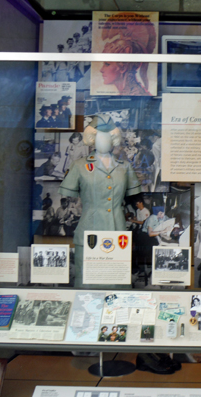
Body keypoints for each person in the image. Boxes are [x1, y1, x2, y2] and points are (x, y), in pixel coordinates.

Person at [59, 114, 142, 286]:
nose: (103, 140)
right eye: (98, 135)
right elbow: (70, 192)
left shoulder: (125, 167)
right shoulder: (79, 166)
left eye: (108, 136)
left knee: (117, 283)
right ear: (91, 138)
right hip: (89, 230)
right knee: (87, 282)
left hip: (117, 230)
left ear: (114, 139)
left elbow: (132, 192)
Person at [97, 13, 157, 95]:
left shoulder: (137, 96)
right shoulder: (129, 94)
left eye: (107, 64)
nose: (101, 70)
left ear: (123, 68)